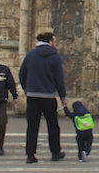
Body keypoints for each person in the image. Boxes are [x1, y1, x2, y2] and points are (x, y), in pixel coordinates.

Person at [18, 31, 67, 164]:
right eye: (54, 41)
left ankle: (30, 154)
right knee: (53, 125)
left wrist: (26, 88)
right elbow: (59, 79)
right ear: (50, 41)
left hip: (33, 95)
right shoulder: (55, 57)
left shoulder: (30, 54)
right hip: (48, 96)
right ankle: (55, 152)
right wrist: (63, 96)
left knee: (32, 125)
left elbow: (22, 73)